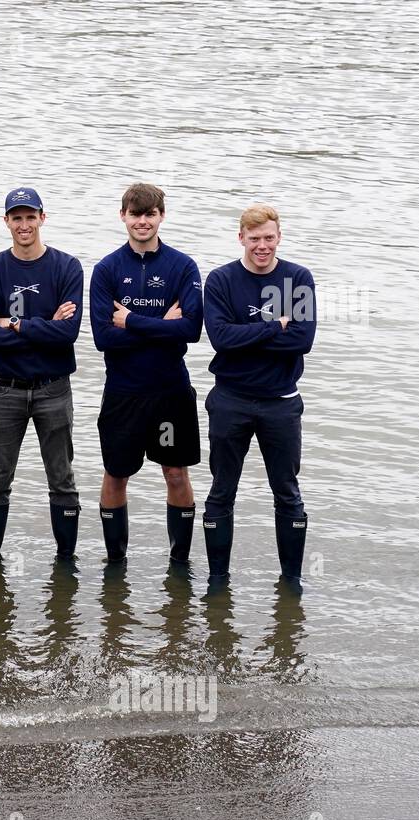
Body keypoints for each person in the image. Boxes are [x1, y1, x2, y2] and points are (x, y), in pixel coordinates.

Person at [89, 183, 204, 567]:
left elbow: (190, 330)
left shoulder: (182, 266)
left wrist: (132, 321)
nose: (142, 221)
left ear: (161, 217)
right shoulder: (107, 269)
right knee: (116, 474)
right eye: (135, 214)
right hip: (124, 392)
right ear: (123, 216)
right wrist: (160, 326)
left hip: (170, 391)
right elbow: (104, 337)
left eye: (150, 214)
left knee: (175, 472)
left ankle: (180, 561)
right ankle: (115, 562)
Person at [202, 204, 316, 589]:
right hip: (230, 399)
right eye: (254, 239)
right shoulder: (220, 280)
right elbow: (220, 339)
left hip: (281, 402)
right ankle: (218, 580)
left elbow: (303, 340)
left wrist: (246, 333)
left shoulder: (298, 278)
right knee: (221, 491)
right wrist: (273, 326)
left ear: (279, 236)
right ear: (241, 239)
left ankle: (292, 579)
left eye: (269, 238)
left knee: (287, 493)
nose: (262, 246)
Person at [0, 187, 84, 561]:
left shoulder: (67, 267)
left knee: (62, 481)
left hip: (54, 388)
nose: (24, 224)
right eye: (16, 217)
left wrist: (14, 325)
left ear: (42, 218)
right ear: (6, 222)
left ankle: (65, 561)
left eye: (30, 216)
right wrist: (42, 325)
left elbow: (67, 334)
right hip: (5, 389)